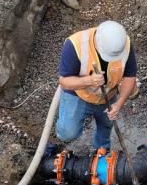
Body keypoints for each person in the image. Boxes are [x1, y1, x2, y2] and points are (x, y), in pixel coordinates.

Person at [57, 21, 137, 151]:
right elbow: (64, 81)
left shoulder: (124, 45)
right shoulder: (75, 45)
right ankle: (64, 141)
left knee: (107, 124)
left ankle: (101, 150)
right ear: (97, 43)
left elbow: (130, 76)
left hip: (108, 95)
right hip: (79, 94)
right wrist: (88, 81)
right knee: (68, 133)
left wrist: (119, 104)